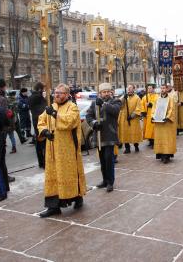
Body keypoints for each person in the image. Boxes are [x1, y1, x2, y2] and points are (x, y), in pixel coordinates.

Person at [37, 83, 87, 218]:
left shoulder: (72, 107)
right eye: (55, 92)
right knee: (52, 176)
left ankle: (77, 197)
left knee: (69, 174)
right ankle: (53, 207)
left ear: (67, 95)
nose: (57, 95)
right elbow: (41, 121)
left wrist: (54, 114)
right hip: (52, 150)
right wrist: (45, 131)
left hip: (67, 149)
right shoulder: (50, 107)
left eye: (60, 93)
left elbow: (69, 122)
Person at [86, 83, 121, 192]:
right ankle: (104, 180)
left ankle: (110, 182)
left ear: (110, 92)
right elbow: (89, 116)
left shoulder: (116, 101)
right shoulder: (94, 103)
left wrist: (104, 104)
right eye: (103, 92)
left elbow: (115, 111)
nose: (106, 93)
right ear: (100, 93)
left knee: (108, 159)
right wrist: (94, 123)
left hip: (109, 134)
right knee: (102, 160)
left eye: (107, 91)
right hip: (99, 135)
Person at [152, 84, 177, 164]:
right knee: (160, 139)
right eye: (161, 88)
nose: (162, 90)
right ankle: (161, 155)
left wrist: (167, 117)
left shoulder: (171, 98)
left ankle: (166, 156)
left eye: (164, 88)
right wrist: (153, 116)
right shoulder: (157, 98)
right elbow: (154, 108)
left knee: (167, 139)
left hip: (167, 123)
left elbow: (171, 109)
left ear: (167, 89)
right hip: (159, 123)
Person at [118, 85, 142, 153]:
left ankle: (136, 146)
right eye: (128, 88)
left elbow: (138, 109)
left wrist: (132, 116)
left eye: (130, 88)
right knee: (125, 133)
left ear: (133, 89)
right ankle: (127, 148)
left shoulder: (137, 98)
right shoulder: (124, 97)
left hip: (133, 119)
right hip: (124, 118)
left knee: (134, 133)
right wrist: (123, 98)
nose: (129, 90)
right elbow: (119, 105)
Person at [29, 82, 47, 169]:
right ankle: (44, 163)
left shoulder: (31, 96)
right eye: (43, 89)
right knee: (43, 143)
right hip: (40, 122)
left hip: (35, 121)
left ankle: (41, 162)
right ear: (40, 89)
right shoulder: (38, 97)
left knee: (38, 142)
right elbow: (43, 108)